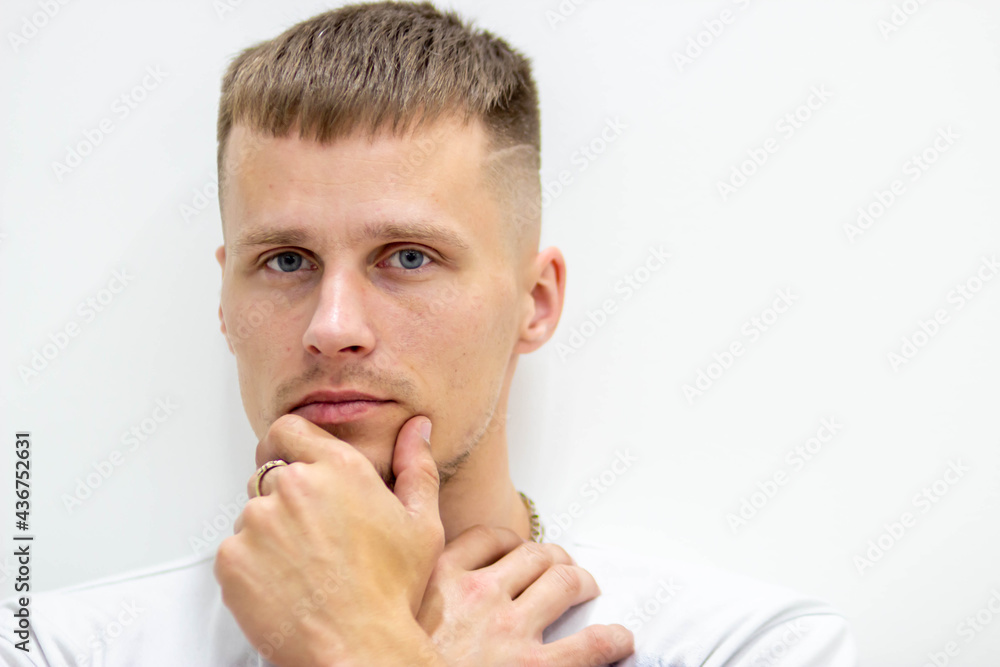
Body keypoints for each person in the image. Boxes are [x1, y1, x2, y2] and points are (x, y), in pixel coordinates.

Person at [0, 2, 858, 665]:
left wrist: (363, 644)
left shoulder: (750, 647)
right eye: (287, 261)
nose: (334, 328)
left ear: (536, 300)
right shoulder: (61, 647)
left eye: (407, 256)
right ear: (224, 301)